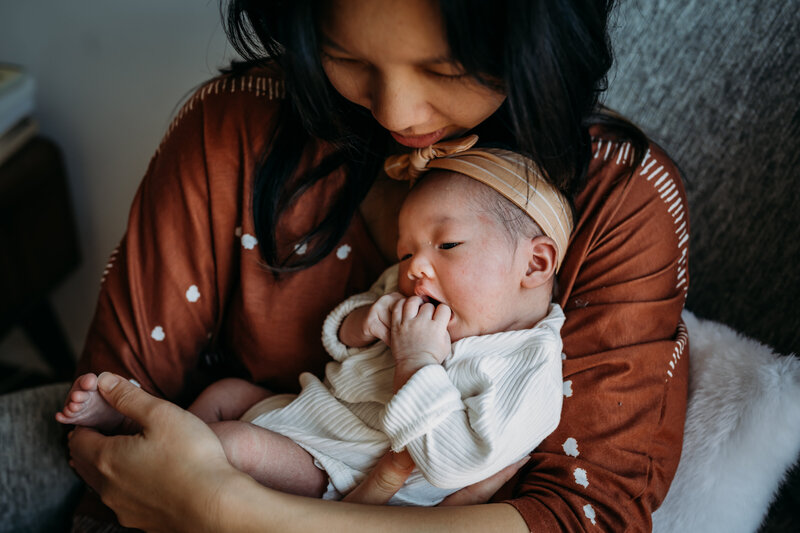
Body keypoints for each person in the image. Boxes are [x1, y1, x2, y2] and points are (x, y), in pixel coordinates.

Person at [66, 0, 690, 531]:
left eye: (446, 69)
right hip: (297, 419)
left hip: (328, 462)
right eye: (348, 58)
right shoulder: (232, 128)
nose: (398, 115)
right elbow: (110, 446)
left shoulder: (618, 204)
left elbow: (586, 515)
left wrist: (224, 507)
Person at [60, 137, 573, 506]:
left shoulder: (527, 366)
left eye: (447, 245)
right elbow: (340, 343)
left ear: (535, 264)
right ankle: (137, 422)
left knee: (235, 445)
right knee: (227, 393)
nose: (415, 267)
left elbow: (452, 464)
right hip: (308, 410)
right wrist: (366, 321)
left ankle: (146, 450)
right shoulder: (411, 291)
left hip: (341, 470)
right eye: (407, 250)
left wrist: (416, 360)